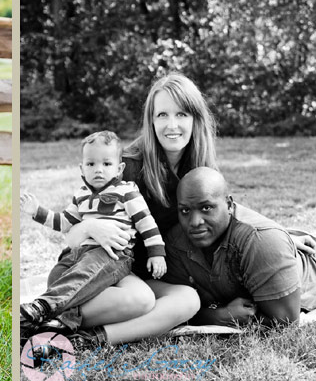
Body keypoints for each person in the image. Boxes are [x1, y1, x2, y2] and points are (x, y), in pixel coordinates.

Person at [52, 73, 316, 349]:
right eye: (162, 115)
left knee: (187, 299)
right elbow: (72, 232)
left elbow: (221, 206)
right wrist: (90, 227)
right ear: (151, 121)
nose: (172, 125)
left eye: (181, 114)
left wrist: (278, 234)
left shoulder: (197, 162)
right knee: (142, 301)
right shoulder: (127, 167)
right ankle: (58, 310)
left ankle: (94, 339)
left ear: (195, 119)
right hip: (95, 272)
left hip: (143, 273)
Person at [19, 131, 167, 338]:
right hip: (78, 252)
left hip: (112, 253)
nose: (98, 170)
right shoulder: (81, 194)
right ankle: (61, 323)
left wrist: (156, 253)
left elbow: (146, 222)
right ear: (82, 168)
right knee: (57, 274)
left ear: (119, 168)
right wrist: (37, 211)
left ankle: (42, 306)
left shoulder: (126, 192)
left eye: (106, 164)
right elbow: (64, 223)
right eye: (91, 164)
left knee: (84, 273)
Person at [161, 167, 316, 326]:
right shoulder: (176, 240)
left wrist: (213, 314)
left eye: (206, 208)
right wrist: (217, 316)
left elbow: (285, 321)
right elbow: (176, 307)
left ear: (229, 204)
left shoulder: (259, 241)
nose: (194, 222)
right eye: (185, 210)